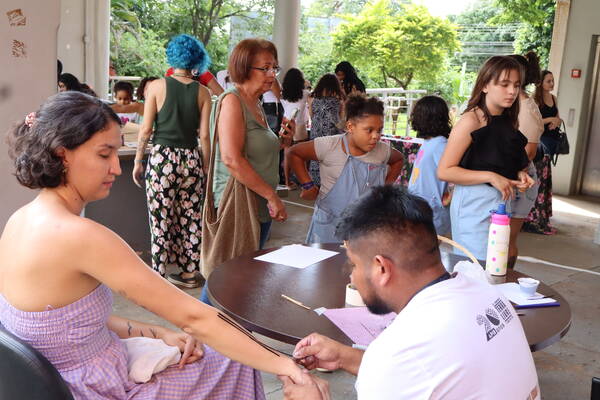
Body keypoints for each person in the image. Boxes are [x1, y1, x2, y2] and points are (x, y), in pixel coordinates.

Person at [1, 91, 305, 399]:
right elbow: (194, 317)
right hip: (91, 388)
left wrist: (159, 332)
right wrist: (285, 365)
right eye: (104, 155)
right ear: (62, 154)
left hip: (53, 381)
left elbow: (70, 325)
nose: (116, 168)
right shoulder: (80, 236)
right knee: (234, 362)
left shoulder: (20, 220)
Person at [279, 186, 541, 400]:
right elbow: (427, 375)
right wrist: (344, 356)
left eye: (353, 265)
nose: (351, 277)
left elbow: (403, 367)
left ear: (381, 268)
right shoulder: (487, 294)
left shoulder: (397, 352)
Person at [200, 38, 294, 303]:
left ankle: (222, 327)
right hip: (238, 205)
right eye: (265, 68)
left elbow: (255, 151)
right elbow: (232, 159)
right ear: (243, 68)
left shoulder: (257, 104)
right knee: (225, 279)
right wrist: (272, 196)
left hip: (257, 203)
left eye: (274, 68)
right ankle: (198, 328)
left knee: (239, 279)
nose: (272, 74)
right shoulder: (233, 101)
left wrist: (282, 142)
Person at [132, 34, 211, 288]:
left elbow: (146, 130)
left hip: (162, 159)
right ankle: (189, 274)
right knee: (190, 218)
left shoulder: (156, 86)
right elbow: (205, 136)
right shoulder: (204, 92)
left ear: (172, 57)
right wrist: (206, 166)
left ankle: (159, 276)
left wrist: (138, 160)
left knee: (160, 218)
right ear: (197, 59)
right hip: (191, 158)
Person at [437, 56, 534, 260]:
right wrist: (490, 176)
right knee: (475, 268)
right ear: (485, 85)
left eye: (516, 85)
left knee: (495, 266)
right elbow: (445, 171)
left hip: (501, 205)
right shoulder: (471, 120)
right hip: (473, 206)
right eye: (504, 84)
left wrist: (520, 175)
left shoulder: (507, 120)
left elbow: (503, 161)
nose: (512, 91)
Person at [288, 94, 403, 243]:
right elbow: (294, 153)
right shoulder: (329, 145)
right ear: (350, 127)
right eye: (369, 130)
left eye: (379, 130)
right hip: (328, 227)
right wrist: (308, 185)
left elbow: (398, 160)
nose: (376, 136)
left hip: (363, 227)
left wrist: (385, 189)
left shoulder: (382, 150)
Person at [507, 52, 544, 268]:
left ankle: (505, 279)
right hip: (510, 178)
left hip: (520, 181)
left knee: (506, 241)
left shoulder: (527, 110)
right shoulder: (513, 105)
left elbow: (528, 153)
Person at [407, 95, 452, 236]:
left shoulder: (440, 145)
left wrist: (451, 196)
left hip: (432, 213)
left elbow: (453, 174)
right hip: (420, 209)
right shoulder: (429, 142)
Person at [307, 73, 345, 186]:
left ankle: (316, 184)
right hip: (332, 135)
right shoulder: (339, 100)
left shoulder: (313, 99)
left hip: (316, 133)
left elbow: (311, 116)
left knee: (315, 158)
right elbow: (341, 122)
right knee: (331, 160)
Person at [281, 67, 310, 188]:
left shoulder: (283, 95)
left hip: (286, 123)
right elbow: (310, 91)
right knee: (303, 155)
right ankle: (304, 182)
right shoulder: (305, 94)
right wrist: (307, 84)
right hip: (300, 126)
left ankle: (287, 182)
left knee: (287, 153)